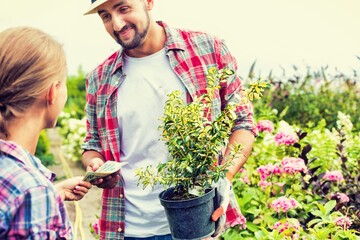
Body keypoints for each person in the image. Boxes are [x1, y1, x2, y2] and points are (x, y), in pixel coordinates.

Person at [81, 0, 257, 239]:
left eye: (123, 8)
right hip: (129, 229)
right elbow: (92, 144)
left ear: (149, 2)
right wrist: (95, 164)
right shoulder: (99, 78)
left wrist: (223, 177)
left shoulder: (208, 49)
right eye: (105, 16)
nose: (117, 24)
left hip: (198, 223)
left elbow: (243, 122)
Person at [0, 26, 92, 239]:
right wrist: (42, 196)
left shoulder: (25, 185)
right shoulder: (32, 191)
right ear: (52, 92)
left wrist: (53, 193)